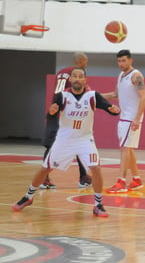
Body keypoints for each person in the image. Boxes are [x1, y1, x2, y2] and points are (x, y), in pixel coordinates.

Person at [12, 68, 120, 217]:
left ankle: (98, 204)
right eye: (74, 76)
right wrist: (51, 112)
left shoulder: (92, 96)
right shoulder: (61, 96)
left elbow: (110, 109)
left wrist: (114, 110)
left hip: (85, 139)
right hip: (64, 139)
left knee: (95, 167)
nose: (77, 78)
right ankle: (28, 196)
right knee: (45, 168)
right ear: (70, 80)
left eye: (80, 76)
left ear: (85, 80)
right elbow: (50, 116)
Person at [41, 52, 92, 189]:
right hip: (66, 115)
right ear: (81, 61)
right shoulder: (77, 74)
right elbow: (85, 94)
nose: (86, 64)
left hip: (55, 113)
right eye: (86, 61)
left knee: (64, 145)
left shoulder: (61, 72)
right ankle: (81, 178)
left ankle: (82, 177)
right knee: (76, 144)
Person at [103, 50, 145, 193]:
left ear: (130, 60)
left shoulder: (136, 76)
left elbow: (144, 97)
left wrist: (137, 118)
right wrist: (96, 95)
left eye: (123, 60)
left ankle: (121, 182)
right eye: (119, 61)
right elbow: (115, 94)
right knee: (128, 149)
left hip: (131, 119)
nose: (121, 64)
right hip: (124, 117)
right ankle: (136, 179)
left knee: (124, 149)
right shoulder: (121, 75)